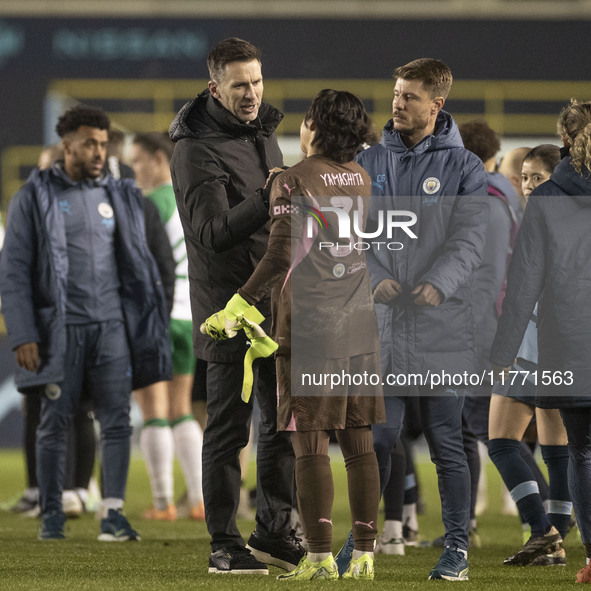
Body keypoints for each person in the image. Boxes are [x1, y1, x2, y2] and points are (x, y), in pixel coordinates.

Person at [204, 88, 385, 581]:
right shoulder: (361, 177)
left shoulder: (294, 180)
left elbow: (283, 255)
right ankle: (366, 555)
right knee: (358, 441)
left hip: (311, 323)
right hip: (358, 322)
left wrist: (237, 303)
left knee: (309, 442)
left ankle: (322, 558)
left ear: (316, 126)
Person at [0, 105, 172, 541]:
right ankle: (52, 512)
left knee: (117, 421)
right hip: (60, 330)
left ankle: (112, 514)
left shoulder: (119, 195)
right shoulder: (32, 198)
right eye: (89, 143)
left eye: (102, 143)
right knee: (54, 419)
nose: (98, 151)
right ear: (67, 145)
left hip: (111, 329)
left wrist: (146, 324)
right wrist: (23, 333)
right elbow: (14, 272)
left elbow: (140, 264)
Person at [169, 37, 301, 574]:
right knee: (228, 429)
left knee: (279, 428)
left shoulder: (262, 132)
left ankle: (273, 529)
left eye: (257, 81)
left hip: (273, 304)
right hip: (228, 312)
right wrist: (267, 195)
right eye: (240, 84)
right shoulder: (193, 149)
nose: (251, 94)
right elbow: (210, 232)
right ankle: (223, 543)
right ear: (214, 87)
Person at [354, 57, 489, 581]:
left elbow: (470, 239)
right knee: (379, 440)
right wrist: (372, 276)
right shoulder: (368, 162)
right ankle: (363, 543)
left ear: (437, 105)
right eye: (395, 93)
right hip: (385, 326)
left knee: (445, 442)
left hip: (442, 324)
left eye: (409, 96)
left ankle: (456, 550)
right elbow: (353, 236)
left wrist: (439, 283)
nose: (397, 103)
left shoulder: (465, 169)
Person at [490, 99, 591, 584]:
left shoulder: (548, 202)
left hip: (559, 340)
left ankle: (570, 543)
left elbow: (523, 284)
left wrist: (502, 350)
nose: (526, 184)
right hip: (560, 339)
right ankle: (556, 530)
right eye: (522, 176)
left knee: (576, 450)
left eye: (533, 176)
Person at [129, 131, 204, 522]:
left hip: (155, 317)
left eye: (138, 160)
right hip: (188, 315)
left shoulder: (149, 204)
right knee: (183, 410)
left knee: (153, 411)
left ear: (159, 159)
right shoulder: (188, 200)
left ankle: (163, 504)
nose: (134, 169)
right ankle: (198, 500)